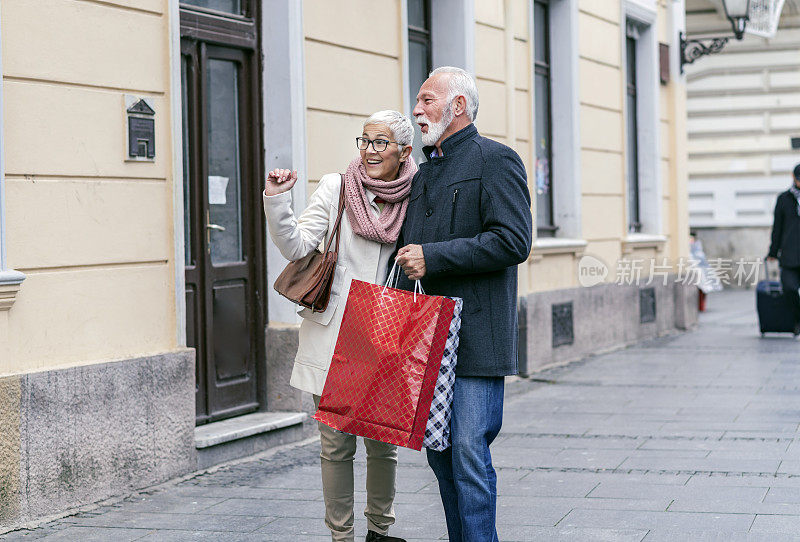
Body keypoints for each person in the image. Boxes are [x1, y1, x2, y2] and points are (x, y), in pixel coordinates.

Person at [394, 66, 533, 542]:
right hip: (427, 339)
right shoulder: (423, 171)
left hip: (476, 337)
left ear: (458, 106)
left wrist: (433, 257)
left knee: (468, 450)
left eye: (427, 100)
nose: (417, 109)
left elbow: (513, 241)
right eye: (417, 101)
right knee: (439, 452)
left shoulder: (496, 159)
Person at [263, 110, 416, 542]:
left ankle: (380, 533)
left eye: (380, 143)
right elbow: (297, 245)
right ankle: (341, 537)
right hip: (336, 331)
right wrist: (278, 200)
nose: (369, 151)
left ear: (404, 152)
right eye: (364, 141)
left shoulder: (416, 194)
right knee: (336, 444)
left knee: (383, 443)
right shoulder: (338, 187)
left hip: (386, 332)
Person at [767, 163, 800, 337]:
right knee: (790, 289)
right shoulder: (784, 199)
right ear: (793, 177)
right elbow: (777, 228)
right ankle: (797, 320)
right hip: (789, 255)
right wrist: (773, 252)